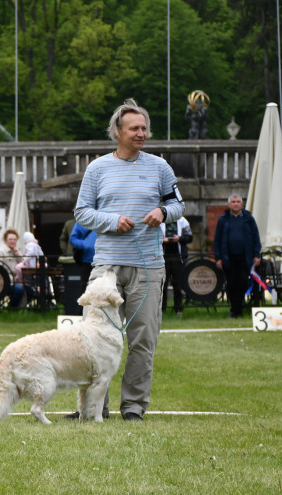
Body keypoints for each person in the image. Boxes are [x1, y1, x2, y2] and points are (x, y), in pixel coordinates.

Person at [72, 98, 185, 421]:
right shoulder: (97, 169)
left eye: (144, 128)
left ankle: (134, 407)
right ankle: (95, 408)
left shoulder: (160, 168)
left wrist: (162, 211)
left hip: (148, 265)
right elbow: (81, 211)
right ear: (117, 132)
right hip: (106, 266)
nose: (141, 133)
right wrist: (112, 220)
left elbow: (179, 205)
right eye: (134, 128)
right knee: (93, 340)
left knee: (143, 339)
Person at [213, 194, 261, 319]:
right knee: (231, 284)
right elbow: (217, 240)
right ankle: (235, 310)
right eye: (233, 202)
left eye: (238, 201)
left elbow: (256, 237)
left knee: (244, 282)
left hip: (245, 257)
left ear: (242, 204)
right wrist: (218, 257)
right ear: (229, 204)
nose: (236, 204)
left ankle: (239, 306)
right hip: (228, 258)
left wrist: (257, 254)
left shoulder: (248, 218)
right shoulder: (223, 219)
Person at [161, 216, 193, 317]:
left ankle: (178, 309)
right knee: (162, 286)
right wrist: (162, 239)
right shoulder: (159, 220)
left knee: (178, 285)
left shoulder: (183, 220)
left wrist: (179, 238)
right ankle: (161, 309)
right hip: (162, 258)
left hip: (178, 258)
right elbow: (151, 238)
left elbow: (189, 237)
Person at [0, 229, 26, 310]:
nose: (13, 241)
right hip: (4, 282)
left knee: (30, 291)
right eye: (10, 239)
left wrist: (18, 254)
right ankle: (11, 309)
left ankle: (19, 309)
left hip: (17, 280)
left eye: (15, 239)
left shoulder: (16, 251)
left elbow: (24, 264)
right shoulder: (1, 251)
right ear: (5, 240)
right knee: (18, 289)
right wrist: (13, 279)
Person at [68, 221, 97, 308]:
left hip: (104, 261)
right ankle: (83, 314)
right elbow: (73, 238)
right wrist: (85, 245)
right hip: (87, 261)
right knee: (85, 289)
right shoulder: (82, 221)